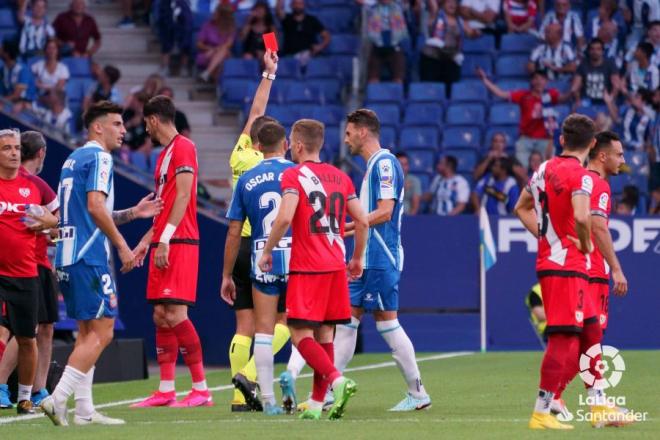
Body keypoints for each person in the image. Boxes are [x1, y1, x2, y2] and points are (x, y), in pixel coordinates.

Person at [40, 101, 162, 426]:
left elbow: (87, 211)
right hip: (89, 256)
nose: (124, 131)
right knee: (103, 332)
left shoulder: (73, 158)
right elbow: (95, 208)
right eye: (117, 124)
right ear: (98, 127)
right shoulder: (99, 157)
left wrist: (134, 213)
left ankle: (84, 411)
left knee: (86, 333)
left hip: (67, 254)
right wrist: (122, 247)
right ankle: (57, 399)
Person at [257, 118, 369, 421]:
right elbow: (363, 221)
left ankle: (336, 380)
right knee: (325, 335)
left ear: (298, 145)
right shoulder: (340, 177)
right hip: (335, 266)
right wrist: (357, 258)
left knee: (299, 333)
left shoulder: (294, 176)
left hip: (308, 268)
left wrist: (267, 251)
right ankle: (318, 402)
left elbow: (283, 218)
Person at [335, 109, 431, 411]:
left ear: (363, 131)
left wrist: (354, 225)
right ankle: (328, 387)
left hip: (381, 256)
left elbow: (386, 210)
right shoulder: (373, 166)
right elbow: (370, 216)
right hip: (367, 256)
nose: (346, 138)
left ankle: (418, 393)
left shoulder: (385, 164)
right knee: (347, 322)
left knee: (387, 323)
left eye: (349, 132)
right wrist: (351, 228)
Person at [514, 114, 600, 430]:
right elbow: (580, 215)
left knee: (592, 329)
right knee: (563, 338)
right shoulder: (583, 176)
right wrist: (587, 244)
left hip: (557, 262)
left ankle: (600, 404)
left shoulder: (543, 169)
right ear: (592, 144)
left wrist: (545, 234)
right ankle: (542, 411)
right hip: (566, 267)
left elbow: (520, 207)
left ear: (562, 140)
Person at [129, 96, 210, 408]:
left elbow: (186, 195)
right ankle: (165, 390)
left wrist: (165, 240)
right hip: (165, 238)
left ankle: (201, 388)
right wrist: (143, 244)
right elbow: (162, 208)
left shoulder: (184, 146)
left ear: (152, 120)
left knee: (176, 313)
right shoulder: (164, 156)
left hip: (180, 241)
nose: (144, 129)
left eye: (145, 122)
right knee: (161, 316)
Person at [223, 49, 291, 412]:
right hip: (271, 246)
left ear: (253, 141)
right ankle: (249, 374)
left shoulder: (239, 157)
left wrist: (267, 75)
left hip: (241, 243)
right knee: (284, 321)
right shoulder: (287, 171)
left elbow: (254, 115)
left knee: (243, 325)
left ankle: (238, 398)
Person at [549, 131, 631, 426]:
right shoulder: (599, 185)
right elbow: (597, 227)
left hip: (583, 267)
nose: (623, 160)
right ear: (602, 155)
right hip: (593, 270)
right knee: (590, 338)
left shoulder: (583, 181)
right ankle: (563, 398)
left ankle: (574, 399)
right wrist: (616, 268)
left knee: (588, 338)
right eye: (619, 154)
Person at [0, 131, 60, 410]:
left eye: (16, 148)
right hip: (11, 269)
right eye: (7, 148)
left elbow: (55, 224)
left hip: (30, 272)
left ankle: (30, 393)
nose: (13, 153)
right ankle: (4, 386)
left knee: (33, 333)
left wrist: (47, 224)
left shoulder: (35, 186)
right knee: (7, 332)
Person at [478, 67, 571, 166]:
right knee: (521, 167)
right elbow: (501, 94)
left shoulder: (551, 94)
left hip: (545, 140)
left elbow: (563, 98)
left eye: (542, 79)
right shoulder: (524, 95)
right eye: (536, 78)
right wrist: (484, 80)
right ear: (532, 81)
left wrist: (572, 90)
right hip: (525, 139)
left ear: (546, 81)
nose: (539, 81)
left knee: (547, 170)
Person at [419, 0, 476, 95]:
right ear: (443, 3)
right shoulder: (435, 13)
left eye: (455, 2)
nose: (452, 5)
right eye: (449, 2)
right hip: (432, 59)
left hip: (451, 60)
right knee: (431, 92)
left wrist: (476, 33)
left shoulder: (460, 20)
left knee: (450, 92)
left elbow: (471, 33)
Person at [366, 0, 409, 83]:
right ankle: (373, 93)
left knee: (398, 78)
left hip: (395, 44)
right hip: (377, 44)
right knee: (372, 78)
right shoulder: (372, 6)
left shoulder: (399, 5)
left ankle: (397, 92)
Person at [571, 38, 621, 108]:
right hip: (587, 101)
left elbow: (616, 85)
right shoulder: (583, 65)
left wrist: (610, 99)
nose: (595, 52)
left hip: (604, 102)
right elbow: (575, 85)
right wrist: (578, 100)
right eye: (592, 49)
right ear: (589, 51)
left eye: (598, 49)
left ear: (602, 51)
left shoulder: (610, 64)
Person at [196, 4, 236, 83]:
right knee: (221, 59)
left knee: (224, 51)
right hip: (207, 53)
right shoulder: (207, 25)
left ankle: (207, 73)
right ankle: (218, 88)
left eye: (216, 13)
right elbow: (199, 44)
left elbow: (229, 44)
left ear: (223, 16)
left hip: (222, 54)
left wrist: (215, 50)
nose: (213, 14)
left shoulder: (231, 28)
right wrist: (211, 49)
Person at [157, 0, 193, 77]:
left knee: (186, 31)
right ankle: (165, 66)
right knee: (166, 28)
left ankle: (184, 66)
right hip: (168, 6)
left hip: (184, 7)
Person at [0, 40, 37, 112]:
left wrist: (2, 101)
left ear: (7, 53)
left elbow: (17, 95)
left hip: (26, 103)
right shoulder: (2, 70)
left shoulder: (23, 70)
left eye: (1, 49)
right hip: (9, 102)